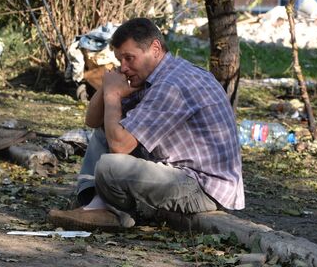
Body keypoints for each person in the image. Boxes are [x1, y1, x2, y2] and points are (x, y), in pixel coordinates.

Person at [48, 18, 244, 230]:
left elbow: (119, 146)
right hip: (181, 174)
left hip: (203, 187)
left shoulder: (171, 85)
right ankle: (95, 205)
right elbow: (93, 121)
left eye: (129, 58)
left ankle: (114, 213)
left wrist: (113, 94)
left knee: (110, 166)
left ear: (155, 49)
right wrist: (107, 85)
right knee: (106, 130)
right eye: (119, 60)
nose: (123, 67)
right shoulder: (156, 75)